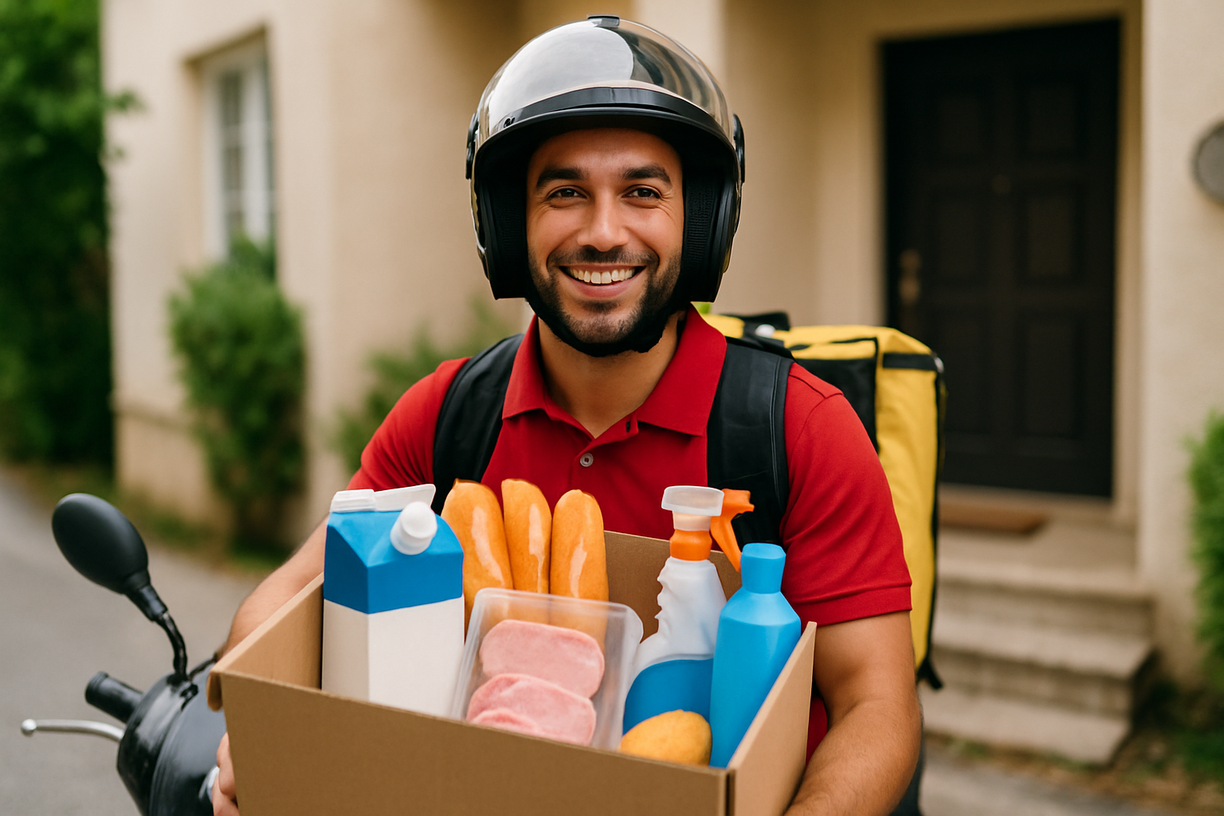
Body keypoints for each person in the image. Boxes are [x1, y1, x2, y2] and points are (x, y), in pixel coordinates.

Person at [213, 16, 921, 816]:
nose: (603, 231)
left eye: (643, 191)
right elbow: (277, 607)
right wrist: (260, 733)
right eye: (565, 193)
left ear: (702, 220)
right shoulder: (446, 419)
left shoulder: (801, 431)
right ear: (508, 223)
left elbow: (878, 707)